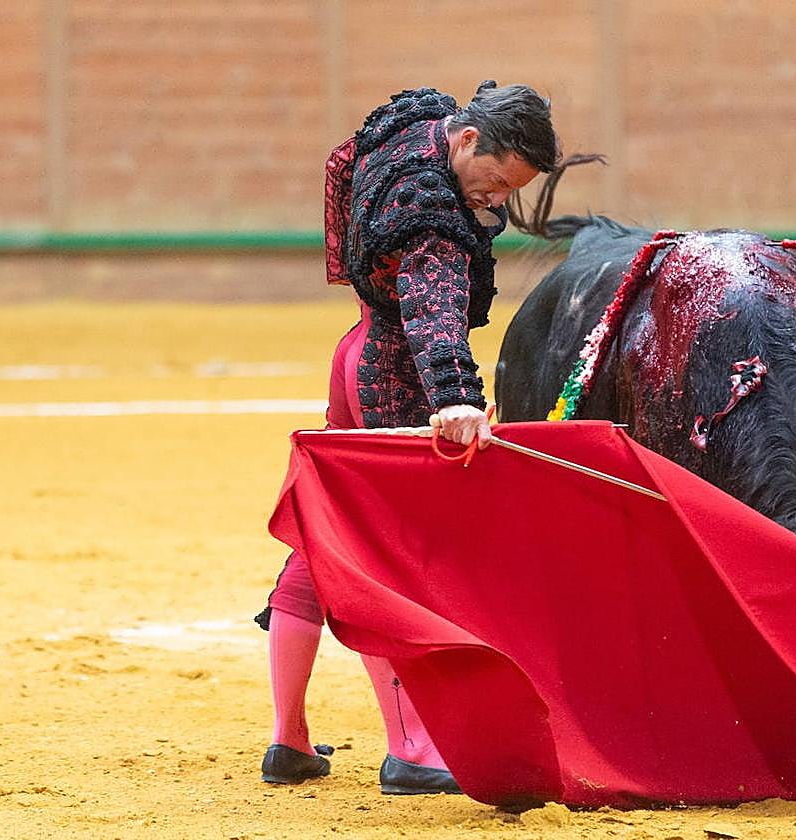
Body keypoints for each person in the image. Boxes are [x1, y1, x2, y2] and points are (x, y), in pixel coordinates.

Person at [255, 81, 560, 791]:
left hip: (355, 348)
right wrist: (455, 400)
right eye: (494, 179)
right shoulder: (436, 223)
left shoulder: (415, 123)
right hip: (396, 375)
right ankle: (411, 749)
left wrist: (357, 274)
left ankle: (288, 740)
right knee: (387, 555)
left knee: (320, 541)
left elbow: (341, 165)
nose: (494, 199)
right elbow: (433, 317)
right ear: (467, 141)